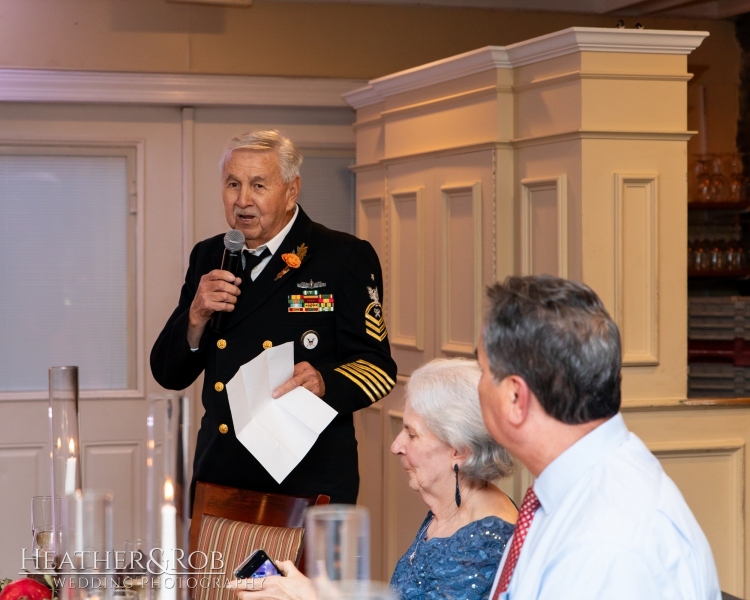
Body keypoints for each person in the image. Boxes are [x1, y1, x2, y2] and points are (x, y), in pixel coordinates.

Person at [150, 130, 397, 504]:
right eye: (233, 184)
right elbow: (168, 374)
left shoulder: (342, 256)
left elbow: (379, 369)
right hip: (221, 477)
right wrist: (196, 314)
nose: (243, 200)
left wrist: (324, 381)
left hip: (307, 484)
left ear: (292, 191)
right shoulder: (209, 254)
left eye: (258, 185)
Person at [477, 275, 721, 600]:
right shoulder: (573, 491)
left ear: (515, 397)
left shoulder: (603, 548)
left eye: (481, 370)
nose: (477, 384)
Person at [229, 358, 518, 600]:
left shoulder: (485, 542)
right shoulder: (447, 509)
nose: (396, 446)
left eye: (412, 433)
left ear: (459, 450)